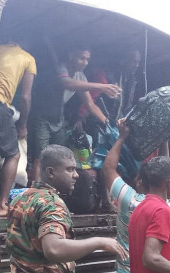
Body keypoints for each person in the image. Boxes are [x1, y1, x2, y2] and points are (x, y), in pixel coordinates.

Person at [4, 144, 126, 273]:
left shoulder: (20, 198)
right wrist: (99, 241)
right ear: (51, 172)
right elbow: (54, 249)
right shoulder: (52, 204)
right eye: (70, 169)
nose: (76, 175)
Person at [102, 118, 169, 273]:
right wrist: (164, 139)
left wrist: (122, 137)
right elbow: (167, 173)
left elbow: (108, 168)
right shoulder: (167, 204)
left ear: (139, 182)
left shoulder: (128, 200)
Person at [30, 39, 120, 182]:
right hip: (43, 119)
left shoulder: (81, 76)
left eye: (87, 59)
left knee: (59, 157)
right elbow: (67, 83)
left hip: (58, 121)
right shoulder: (61, 69)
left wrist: (109, 124)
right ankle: (34, 192)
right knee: (40, 157)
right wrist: (102, 87)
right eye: (81, 58)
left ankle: (53, 191)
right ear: (71, 55)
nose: (84, 62)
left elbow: (90, 104)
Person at [0, 40, 37, 216]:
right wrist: (23, 124)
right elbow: (25, 97)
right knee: (13, 154)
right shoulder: (28, 58)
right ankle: (1, 204)